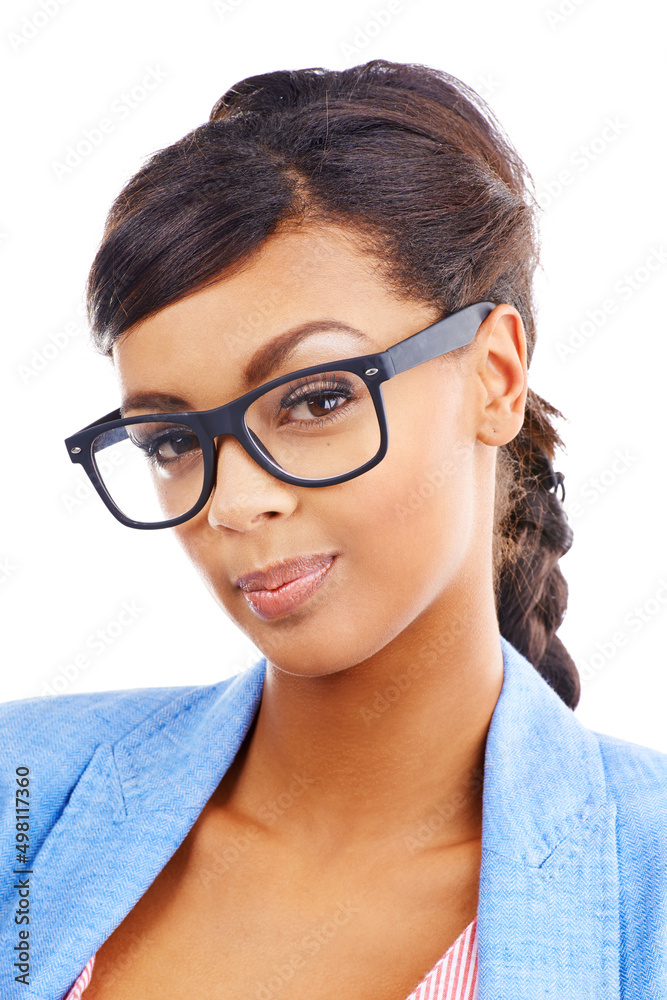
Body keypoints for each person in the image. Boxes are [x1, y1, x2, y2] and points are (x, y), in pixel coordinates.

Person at [1, 58, 665, 1000]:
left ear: (495, 377)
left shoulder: (648, 882)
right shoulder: (21, 796)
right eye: (170, 442)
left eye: (315, 400)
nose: (231, 502)